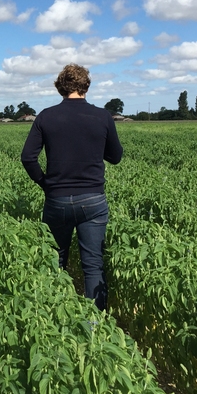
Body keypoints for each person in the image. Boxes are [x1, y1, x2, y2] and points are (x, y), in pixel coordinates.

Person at [20, 64, 123, 311]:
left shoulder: (46, 116)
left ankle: (56, 318)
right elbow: (116, 156)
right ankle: (96, 327)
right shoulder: (102, 117)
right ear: (86, 86)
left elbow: (27, 158)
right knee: (93, 265)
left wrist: (45, 184)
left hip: (58, 200)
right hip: (93, 201)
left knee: (56, 260)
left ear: (61, 88)